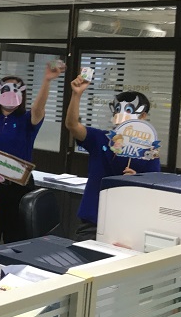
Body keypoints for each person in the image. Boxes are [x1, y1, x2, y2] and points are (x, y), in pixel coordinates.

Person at [65, 77, 161, 241]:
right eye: (118, 109)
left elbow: (154, 187)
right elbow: (72, 125)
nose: (121, 115)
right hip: (93, 219)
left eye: (129, 110)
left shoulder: (149, 150)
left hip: (128, 223)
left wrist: (137, 179)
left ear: (143, 116)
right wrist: (76, 95)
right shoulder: (100, 138)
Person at [0, 64, 64, 244]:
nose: (10, 93)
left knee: (16, 240)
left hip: (18, 187)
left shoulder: (26, 119)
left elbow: (38, 109)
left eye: (16, 89)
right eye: (6, 89)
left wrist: (47, 81)